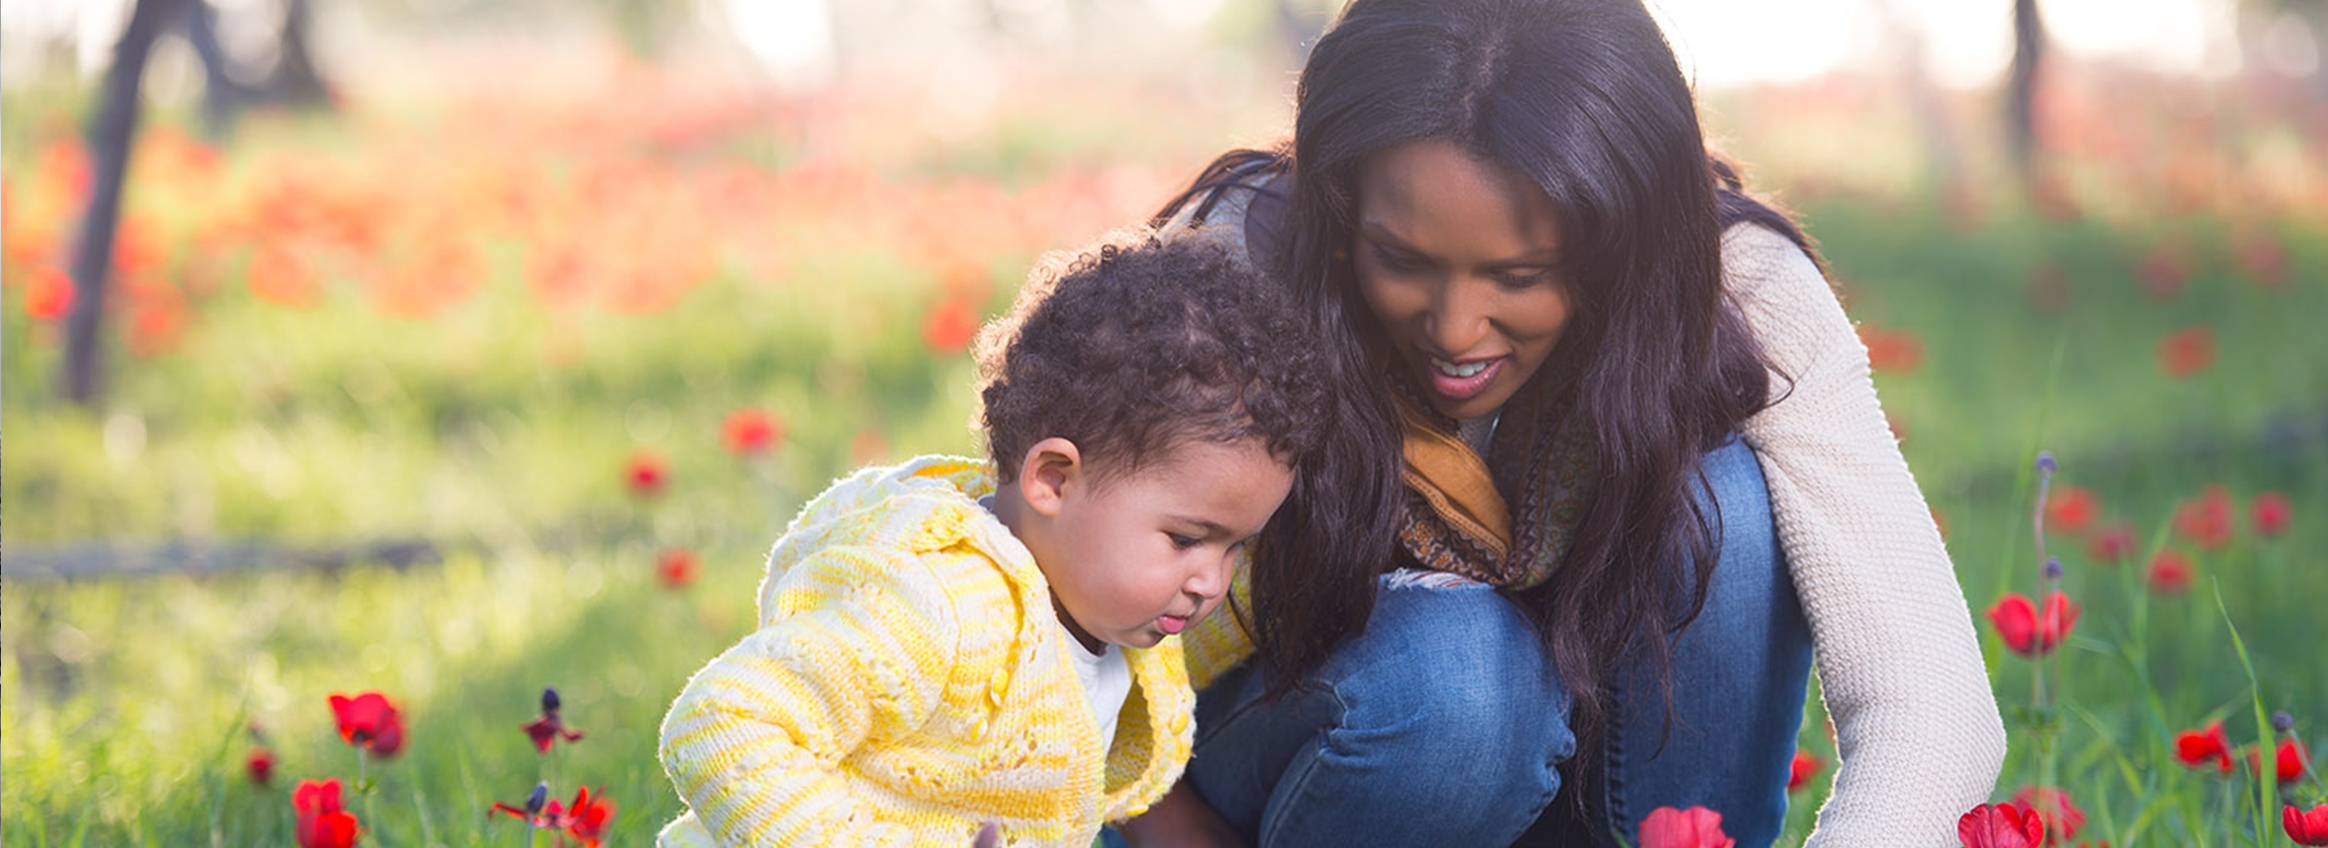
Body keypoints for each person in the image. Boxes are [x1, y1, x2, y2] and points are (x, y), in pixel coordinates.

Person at [1116, 0, 2008, 846]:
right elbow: (1054, 600)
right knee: (1462, 679)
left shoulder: (1743, 294)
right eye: (1400, 259)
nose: (1455, 330)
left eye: (1520, 274)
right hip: (1299, 775)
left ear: (1622, 242)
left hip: (1614, 782)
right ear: (1343, 206)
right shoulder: (1243, 261)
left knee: (1722, 505)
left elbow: (1931, 705)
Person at [654, 232, 1338, 847]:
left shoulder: (1118, 608)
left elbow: (1243, 619)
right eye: (1189, 538)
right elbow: (725, 722)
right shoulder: (940, 608)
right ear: (1053, 480)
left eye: (1236, 547)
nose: (1211, 582)